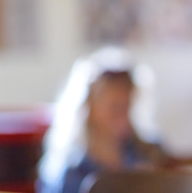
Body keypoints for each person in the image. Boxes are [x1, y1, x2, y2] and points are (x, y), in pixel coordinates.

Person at [37, 46, 168, 193]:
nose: (122, 115)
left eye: (126, 105)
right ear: (90, 107)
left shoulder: (149, 152)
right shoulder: (69, 169)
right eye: (114, 107)